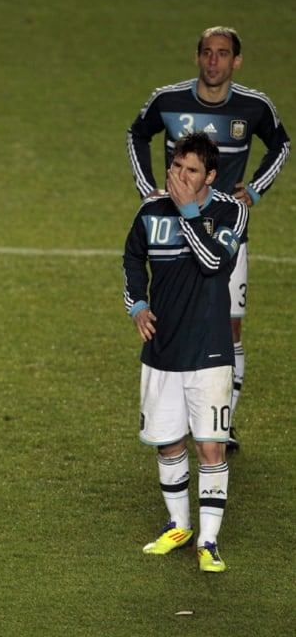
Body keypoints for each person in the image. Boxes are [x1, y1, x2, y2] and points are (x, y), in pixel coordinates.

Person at [127, 26, 290, 451]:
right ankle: (177, 418)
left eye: (222, 54)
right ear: (197, 57)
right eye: (207, 52)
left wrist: (254, 190)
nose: (213, 61)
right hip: (174, 234)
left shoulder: (254, 107)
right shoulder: (168, 100)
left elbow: (281, 145)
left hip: (224, 234)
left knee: (230, 327)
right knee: (175, 319)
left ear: (236, 61)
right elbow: (136, 134)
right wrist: (148, 188)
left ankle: (224, 420)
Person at [123, 132, 248, 573]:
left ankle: (209, 540)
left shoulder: (230, 211)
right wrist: (137, 303)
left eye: (190, 170)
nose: (179, 176)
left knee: (210, 447)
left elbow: (213, 263)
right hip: (162, 351)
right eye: (176, 166)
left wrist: (189, 212)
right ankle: (178, 525)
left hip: (210, 352)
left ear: (210, 176)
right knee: (168, 443)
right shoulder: (150, 211)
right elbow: (132, 258)